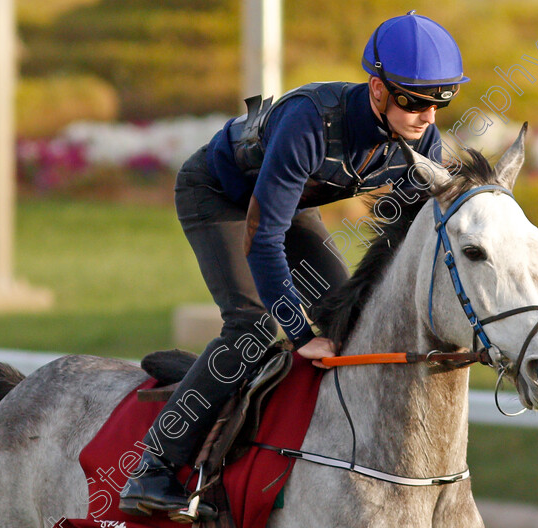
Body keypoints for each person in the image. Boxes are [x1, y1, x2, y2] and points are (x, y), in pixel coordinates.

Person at [119, 10, 470, 520]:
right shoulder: (310, 119)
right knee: (255, 327)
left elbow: (407, 248)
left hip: (288, 202)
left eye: (441, 102)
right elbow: (263, 238)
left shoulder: (424, 142)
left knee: (352, 316)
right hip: (218, 195)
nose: (428, 116)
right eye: (415, 101)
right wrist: (298, 333)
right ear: (377, 89)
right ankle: (153, 467)